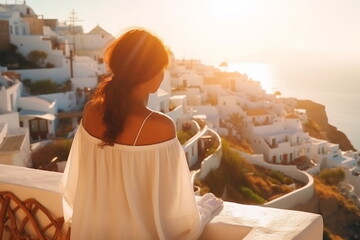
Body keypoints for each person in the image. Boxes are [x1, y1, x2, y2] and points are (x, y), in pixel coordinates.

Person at [60, 28, 223, 240]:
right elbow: (175, 213)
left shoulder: (91, 111)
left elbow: (75, 185)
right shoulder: (159, 126)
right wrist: (204, 210)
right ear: (151, 73)